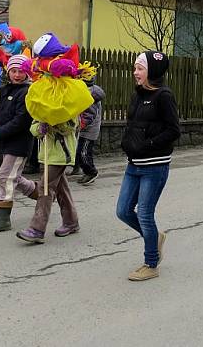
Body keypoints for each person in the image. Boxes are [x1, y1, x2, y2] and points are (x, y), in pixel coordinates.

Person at [116, 50, 180, 281]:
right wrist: (128, 143)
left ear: (152, 71)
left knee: (144, 213)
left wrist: (148, 144)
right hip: (134, 163)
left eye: (140, 68)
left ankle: (151, 263)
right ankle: (155, 237)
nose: (135, 72)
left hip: (155, 165)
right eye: (135, 68)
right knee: (123, 211)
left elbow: (174, 130)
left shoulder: (164, 96)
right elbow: (133, 125)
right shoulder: (137, 94)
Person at [0, 54, 38, 233]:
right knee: (15, 177)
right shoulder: (7, 90)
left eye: (21, 71)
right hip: (8, 142)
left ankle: (3, 219)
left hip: (19, 143)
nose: (17, 74)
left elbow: (21, 120)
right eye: (13, 71)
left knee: (5, 177)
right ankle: (43, 194)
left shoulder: (27, 92)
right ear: (8, 71)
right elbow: (7, 113)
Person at [15, 118, 80, 244]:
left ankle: (37, 229)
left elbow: (71, 126)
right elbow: (33, 128)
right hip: (47, 155)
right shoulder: (43, 106)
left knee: (45, 187)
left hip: (62, 155)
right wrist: (39, 128)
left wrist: (53, 124)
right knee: (62, 189)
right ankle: (71, 221)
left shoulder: (68, 106)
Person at [68, 76, 106, 185]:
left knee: (83, 152)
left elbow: (89, 115)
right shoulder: (86, 92)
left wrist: (81, 124)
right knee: (77, 150)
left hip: (89, 130)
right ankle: (79, 169)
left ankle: (91, 172)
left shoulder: (89, 96)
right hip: (83, 128)